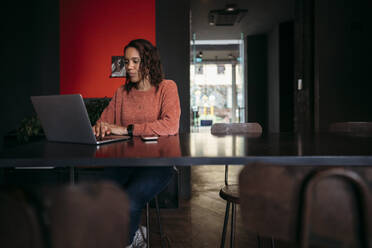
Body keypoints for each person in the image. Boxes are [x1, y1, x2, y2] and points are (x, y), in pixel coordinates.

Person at [92, 39, 181, 247]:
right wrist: (101, 127)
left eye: (135, 61)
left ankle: (128, 242)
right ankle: (134, 235)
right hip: (124, 162)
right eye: (126, 61)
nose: (129, 67)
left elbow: (170, 125)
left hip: (158, 165)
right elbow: (103, 122)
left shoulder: (167, 88)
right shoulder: (121, 93)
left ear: (149, 62)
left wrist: (127, 129)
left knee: (129, 200)